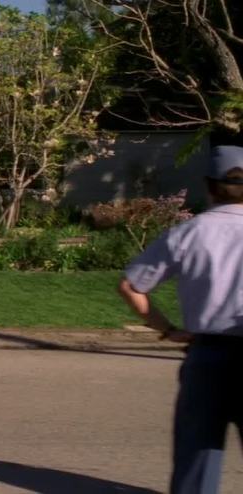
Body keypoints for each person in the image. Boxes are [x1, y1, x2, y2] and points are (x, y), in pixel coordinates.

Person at [118, 145, 243, 494]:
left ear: (210, 186)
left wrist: (168, 330)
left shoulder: (190, 232)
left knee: (197, 459)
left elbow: (131, 286)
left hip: (208, 355)